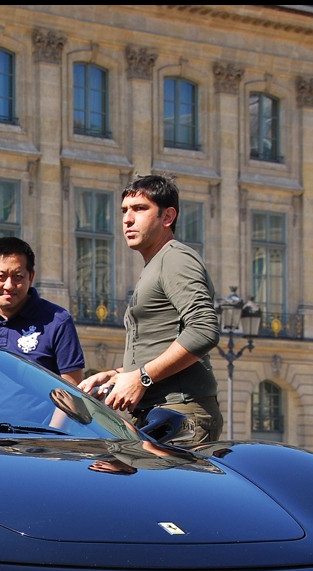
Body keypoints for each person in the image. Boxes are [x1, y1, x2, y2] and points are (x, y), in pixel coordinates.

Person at [80, 174, 222, 445]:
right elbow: (162, 342)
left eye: (139, 209)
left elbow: (204, 329)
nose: (127, 219)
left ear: (167, 216)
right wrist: (119, 374)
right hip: (163, 414)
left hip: (179, 415)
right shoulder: (157, 263)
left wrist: (141, 378)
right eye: (124, 210)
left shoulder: (175, 258)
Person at [0, 236, 85, 423]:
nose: (9, 285)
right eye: (1, 277)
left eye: (18, 277)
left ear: (31, 277)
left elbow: (72, 389)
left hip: (33, 437)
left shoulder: (57, 320)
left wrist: (52, 434)